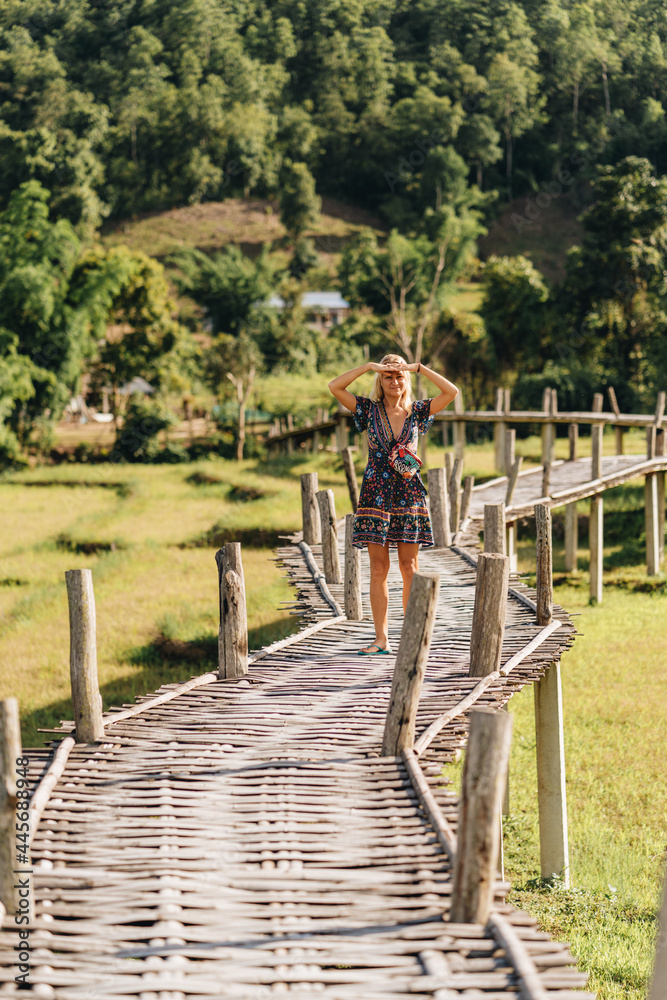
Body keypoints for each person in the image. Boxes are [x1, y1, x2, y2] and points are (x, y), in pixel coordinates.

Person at [328, 354, 458, 655]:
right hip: (376, 494)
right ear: (380, 380)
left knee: (410, 566)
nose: (394, 381)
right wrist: (370, 366)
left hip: (408, 493)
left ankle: (411, 634)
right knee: (378, 568)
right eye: (388, 376)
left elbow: (452, 392)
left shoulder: (419, 411)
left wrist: (418, 367)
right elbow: (335, 387)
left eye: (399, 376)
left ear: (406, 380)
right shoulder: (368, 409)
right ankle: (381, 638)